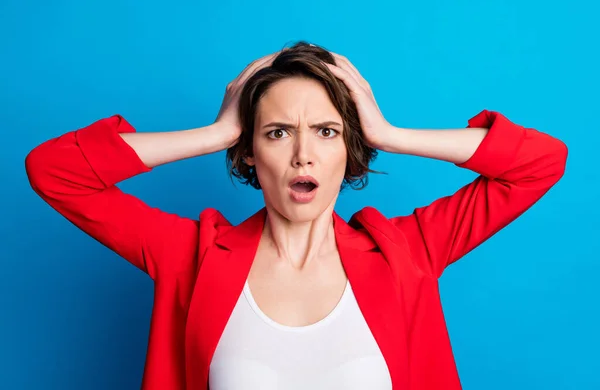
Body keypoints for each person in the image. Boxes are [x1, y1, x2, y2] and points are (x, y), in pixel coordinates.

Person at [25, 41, 568, 390]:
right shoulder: (189, 257)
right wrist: (216, 132)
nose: (302, 153)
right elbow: (53, 171)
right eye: (278, 132)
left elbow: (541, 163)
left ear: (348, 151)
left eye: (327, 132)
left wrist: (389, 134)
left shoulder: (410, 252)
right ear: (249, 152)